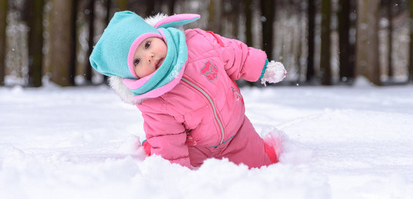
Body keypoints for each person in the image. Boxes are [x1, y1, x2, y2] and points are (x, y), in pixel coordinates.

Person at [89, 11, 286, 169]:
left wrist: (262, 68)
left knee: (266, 166)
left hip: (238, 131)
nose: (148, 56)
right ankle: (148, 148)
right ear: (132, 74)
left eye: (148, 44)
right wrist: (176, 176)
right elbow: (168, 139)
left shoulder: (198, 43)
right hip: (198, 149)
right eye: (137, 61)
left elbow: (234, 54)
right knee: (194, 176)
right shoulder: (153, 101)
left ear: (157, 34)